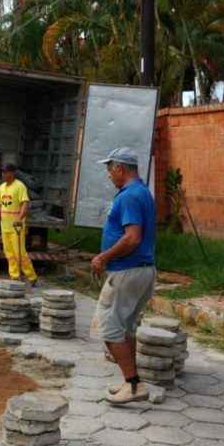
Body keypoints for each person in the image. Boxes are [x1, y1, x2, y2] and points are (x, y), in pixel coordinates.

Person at [91, 147, 157, 405]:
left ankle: (133, 385)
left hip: (127, 271)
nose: (108, 174)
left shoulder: (129, 196)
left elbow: (132, 237)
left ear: (120, 168)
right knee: (126, 328)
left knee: (109, 328)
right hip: (142, 269)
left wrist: (103, 257)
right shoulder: (142, 192)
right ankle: (132, 382)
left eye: (110, 169)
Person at [0, 163, 38, 285]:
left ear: (13, 173)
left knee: (20, 252)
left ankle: (31, 276)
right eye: (2, 172)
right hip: (5, 225)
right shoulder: (2, 187)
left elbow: (25, 204)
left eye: (6, 172)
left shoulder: (20, 186)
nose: (3, 174)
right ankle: (14, 276)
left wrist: (20, 218)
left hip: (17, 226)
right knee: (9, 253)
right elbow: (0, 206)